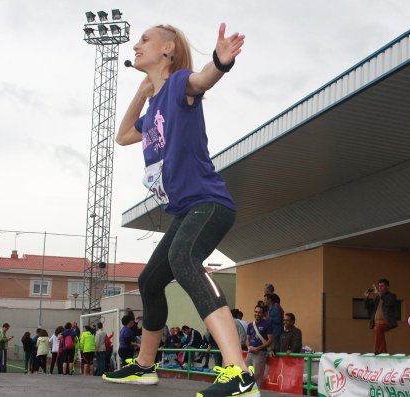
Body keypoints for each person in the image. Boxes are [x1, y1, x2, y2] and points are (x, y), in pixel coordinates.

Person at [100, 22, 254, 397]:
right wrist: (140, 92)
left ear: (168, 49)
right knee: (150, 281)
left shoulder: (178, 84)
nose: (136, 45)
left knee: (184, 258)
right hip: (187, 210)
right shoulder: (154, 107)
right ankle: (144, 367)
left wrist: (220, 60)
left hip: (209, 203)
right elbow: (123, 136)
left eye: (145, 40)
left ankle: (239, 374)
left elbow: (202, 80)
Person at [364, 278, 398, 354]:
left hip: (387, 321)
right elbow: (368, 307)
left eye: (382, 286)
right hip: (377, 322)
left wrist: (380, 295)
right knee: (379, 332)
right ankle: (383, 352)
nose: (380, 288)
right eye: (379, 286)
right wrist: (366, 297)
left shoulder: (391, 296)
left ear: (387, 287)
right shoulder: (378, 297)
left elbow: (389, 303)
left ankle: (377, 351)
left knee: (377, 328)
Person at [246, 305, 273, 388]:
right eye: (256, 312)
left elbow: (270, 340)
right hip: (250, 353)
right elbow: (247, 339)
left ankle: (257, 393)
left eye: (259, 312)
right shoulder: (250, 325)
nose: (257, 314)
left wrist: (258, 348)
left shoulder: (267, 324)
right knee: (246, 374)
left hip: (260, 353)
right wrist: (248, 347)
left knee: (257, 376)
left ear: (263, 314)